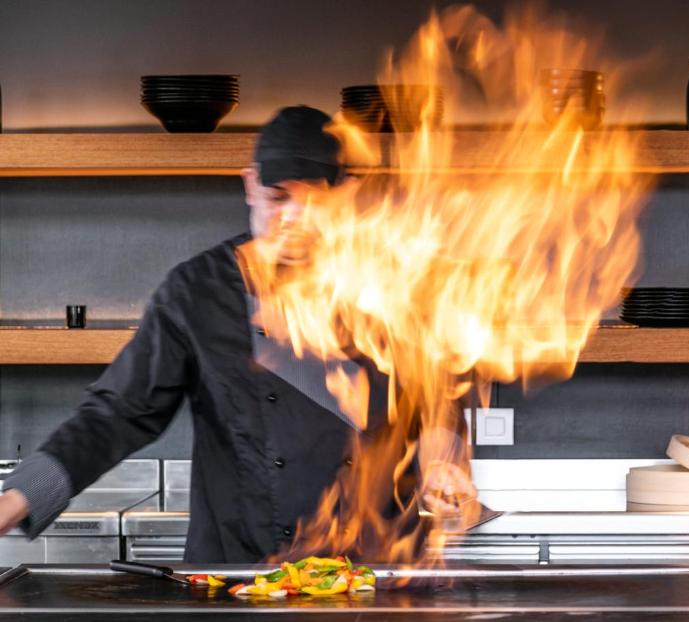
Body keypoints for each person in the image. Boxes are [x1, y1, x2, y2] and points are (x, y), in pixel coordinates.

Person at [0, 105, 476, 562]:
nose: (292, 218)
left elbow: (437, 399)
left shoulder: (393, 284)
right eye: (278, 197)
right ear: (250, 185)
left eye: (313, 200)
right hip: (245, 577)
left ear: (347, 195)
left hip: (378, 573)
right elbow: (117, 413)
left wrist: (445, 465)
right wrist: (14, 502)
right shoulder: (198, 293)